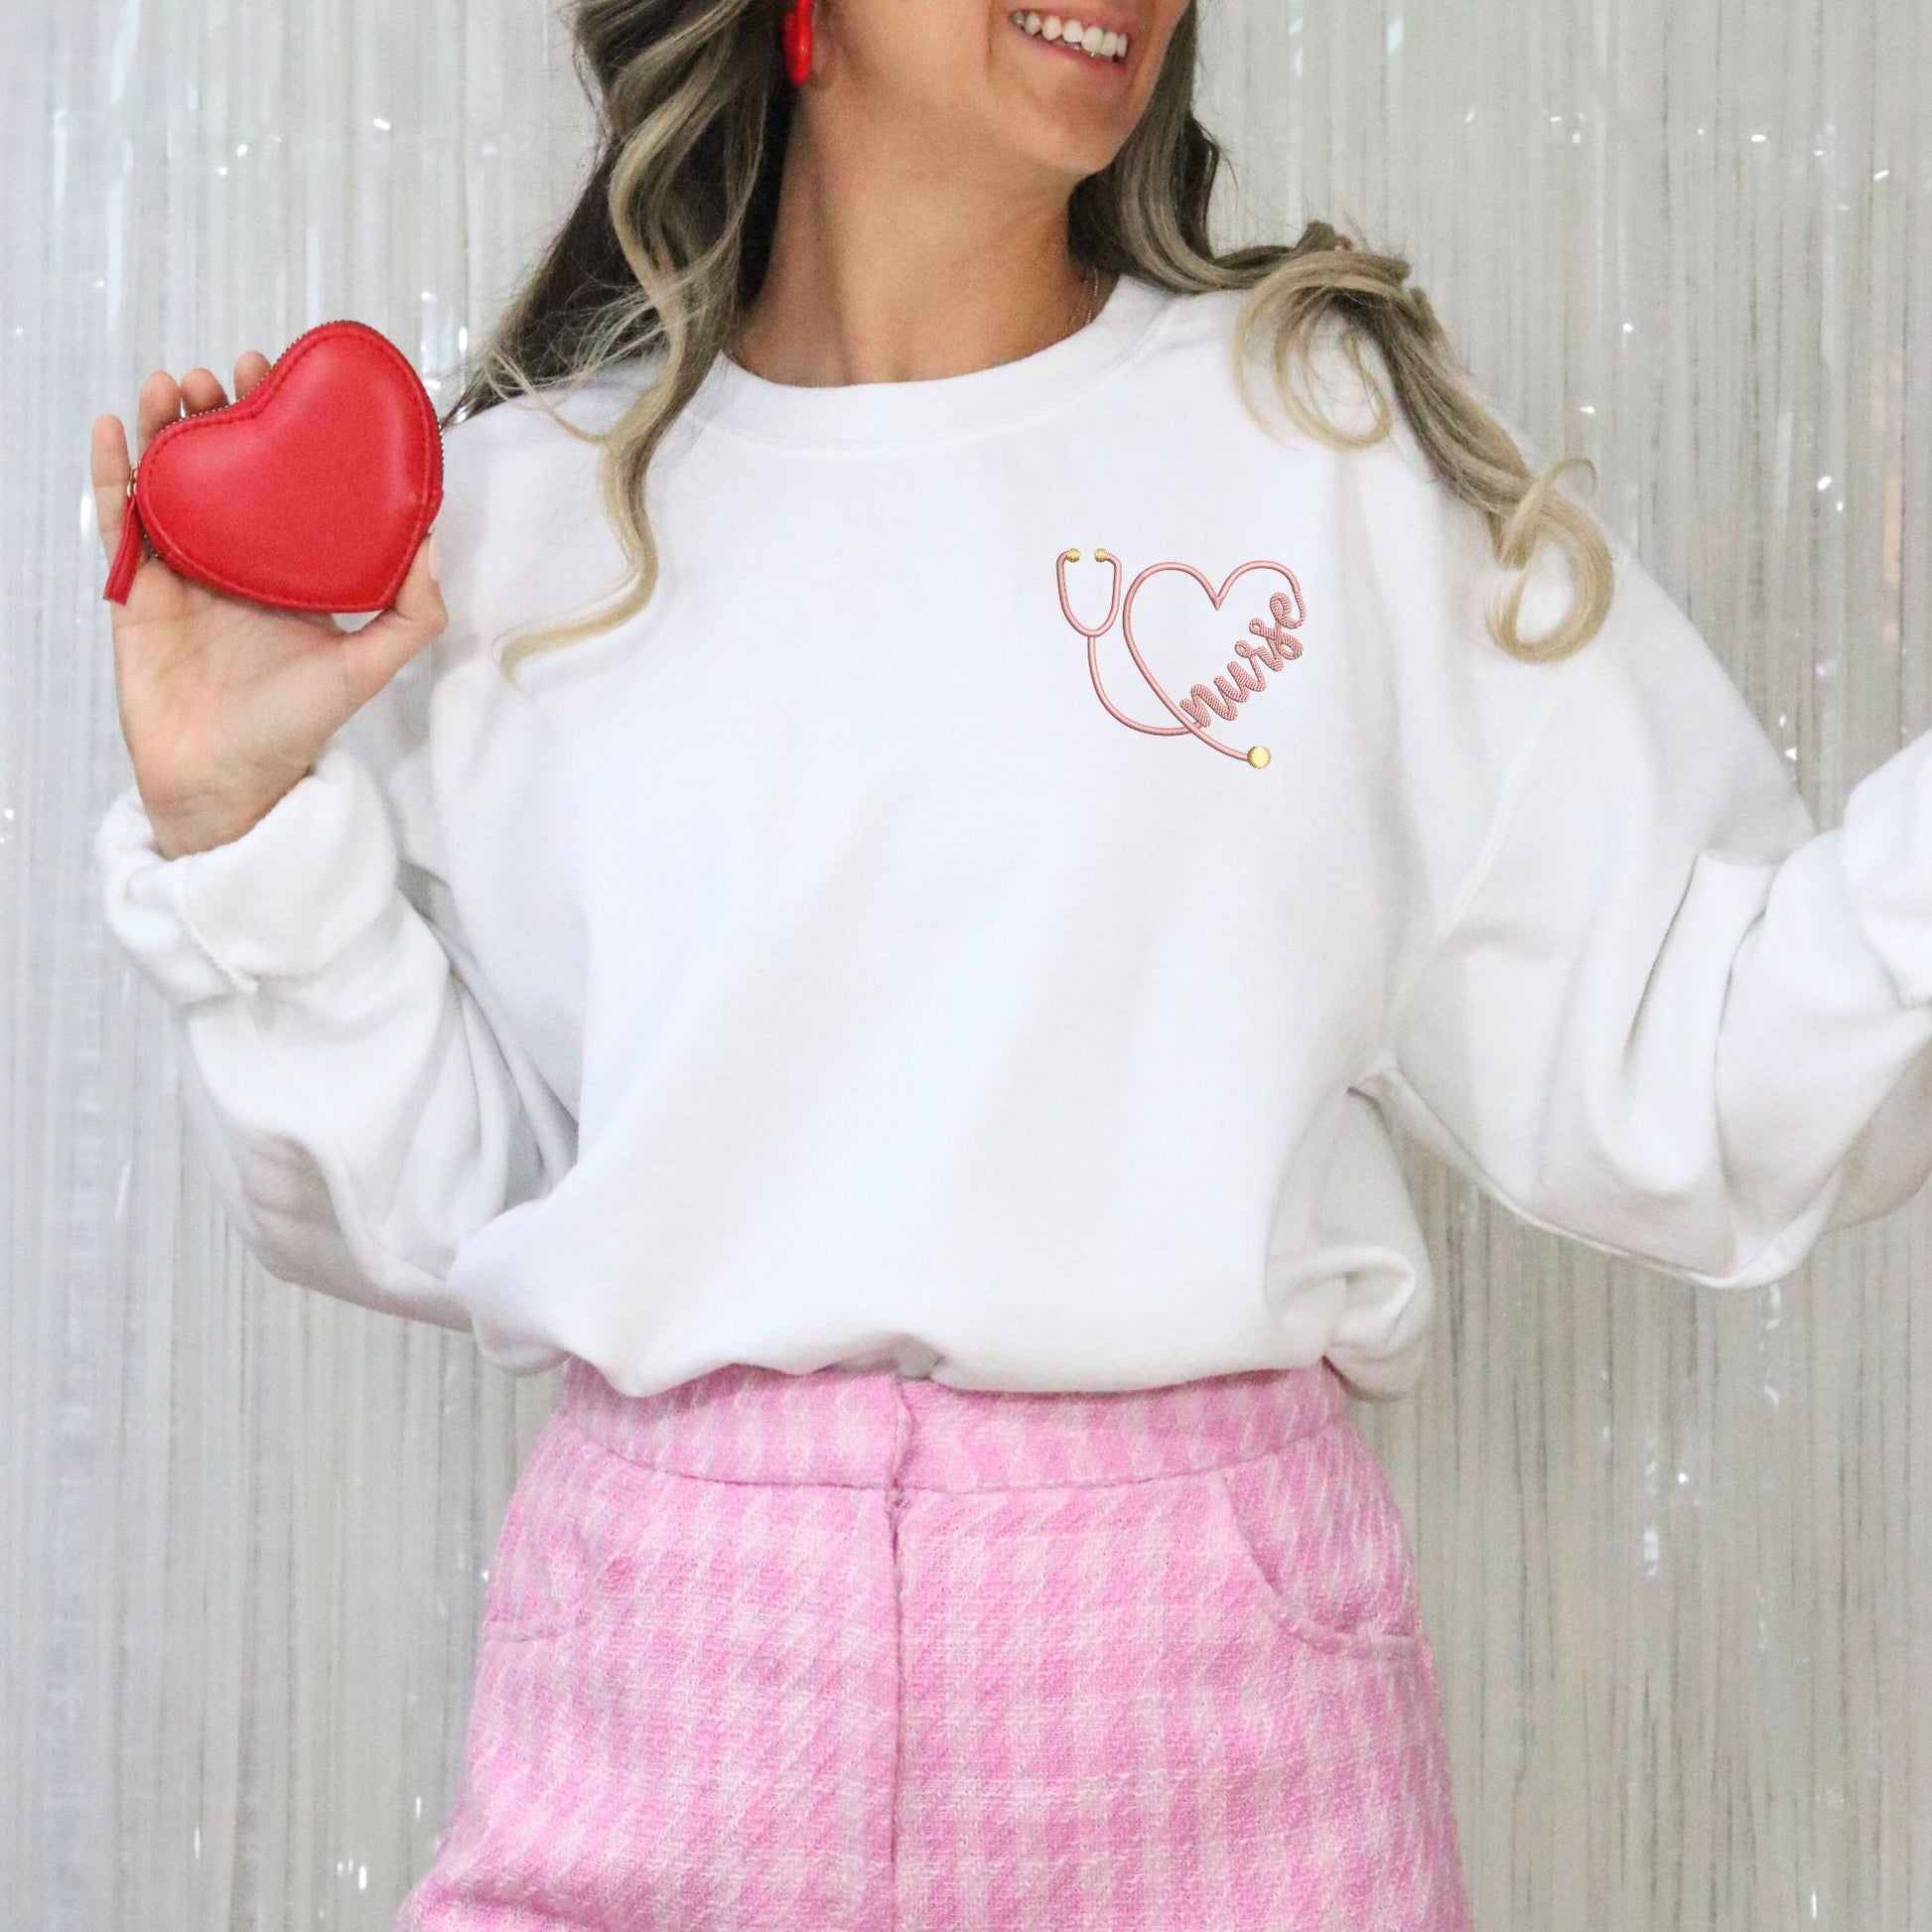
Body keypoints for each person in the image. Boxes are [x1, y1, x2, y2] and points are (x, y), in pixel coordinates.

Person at [87, 1, 1932, 1927]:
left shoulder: (1311, 443)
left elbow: (1689, 1061)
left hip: (1217, 1723)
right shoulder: (515, 520)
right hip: (663, 1695)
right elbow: (451, 1209)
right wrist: (236, 825)